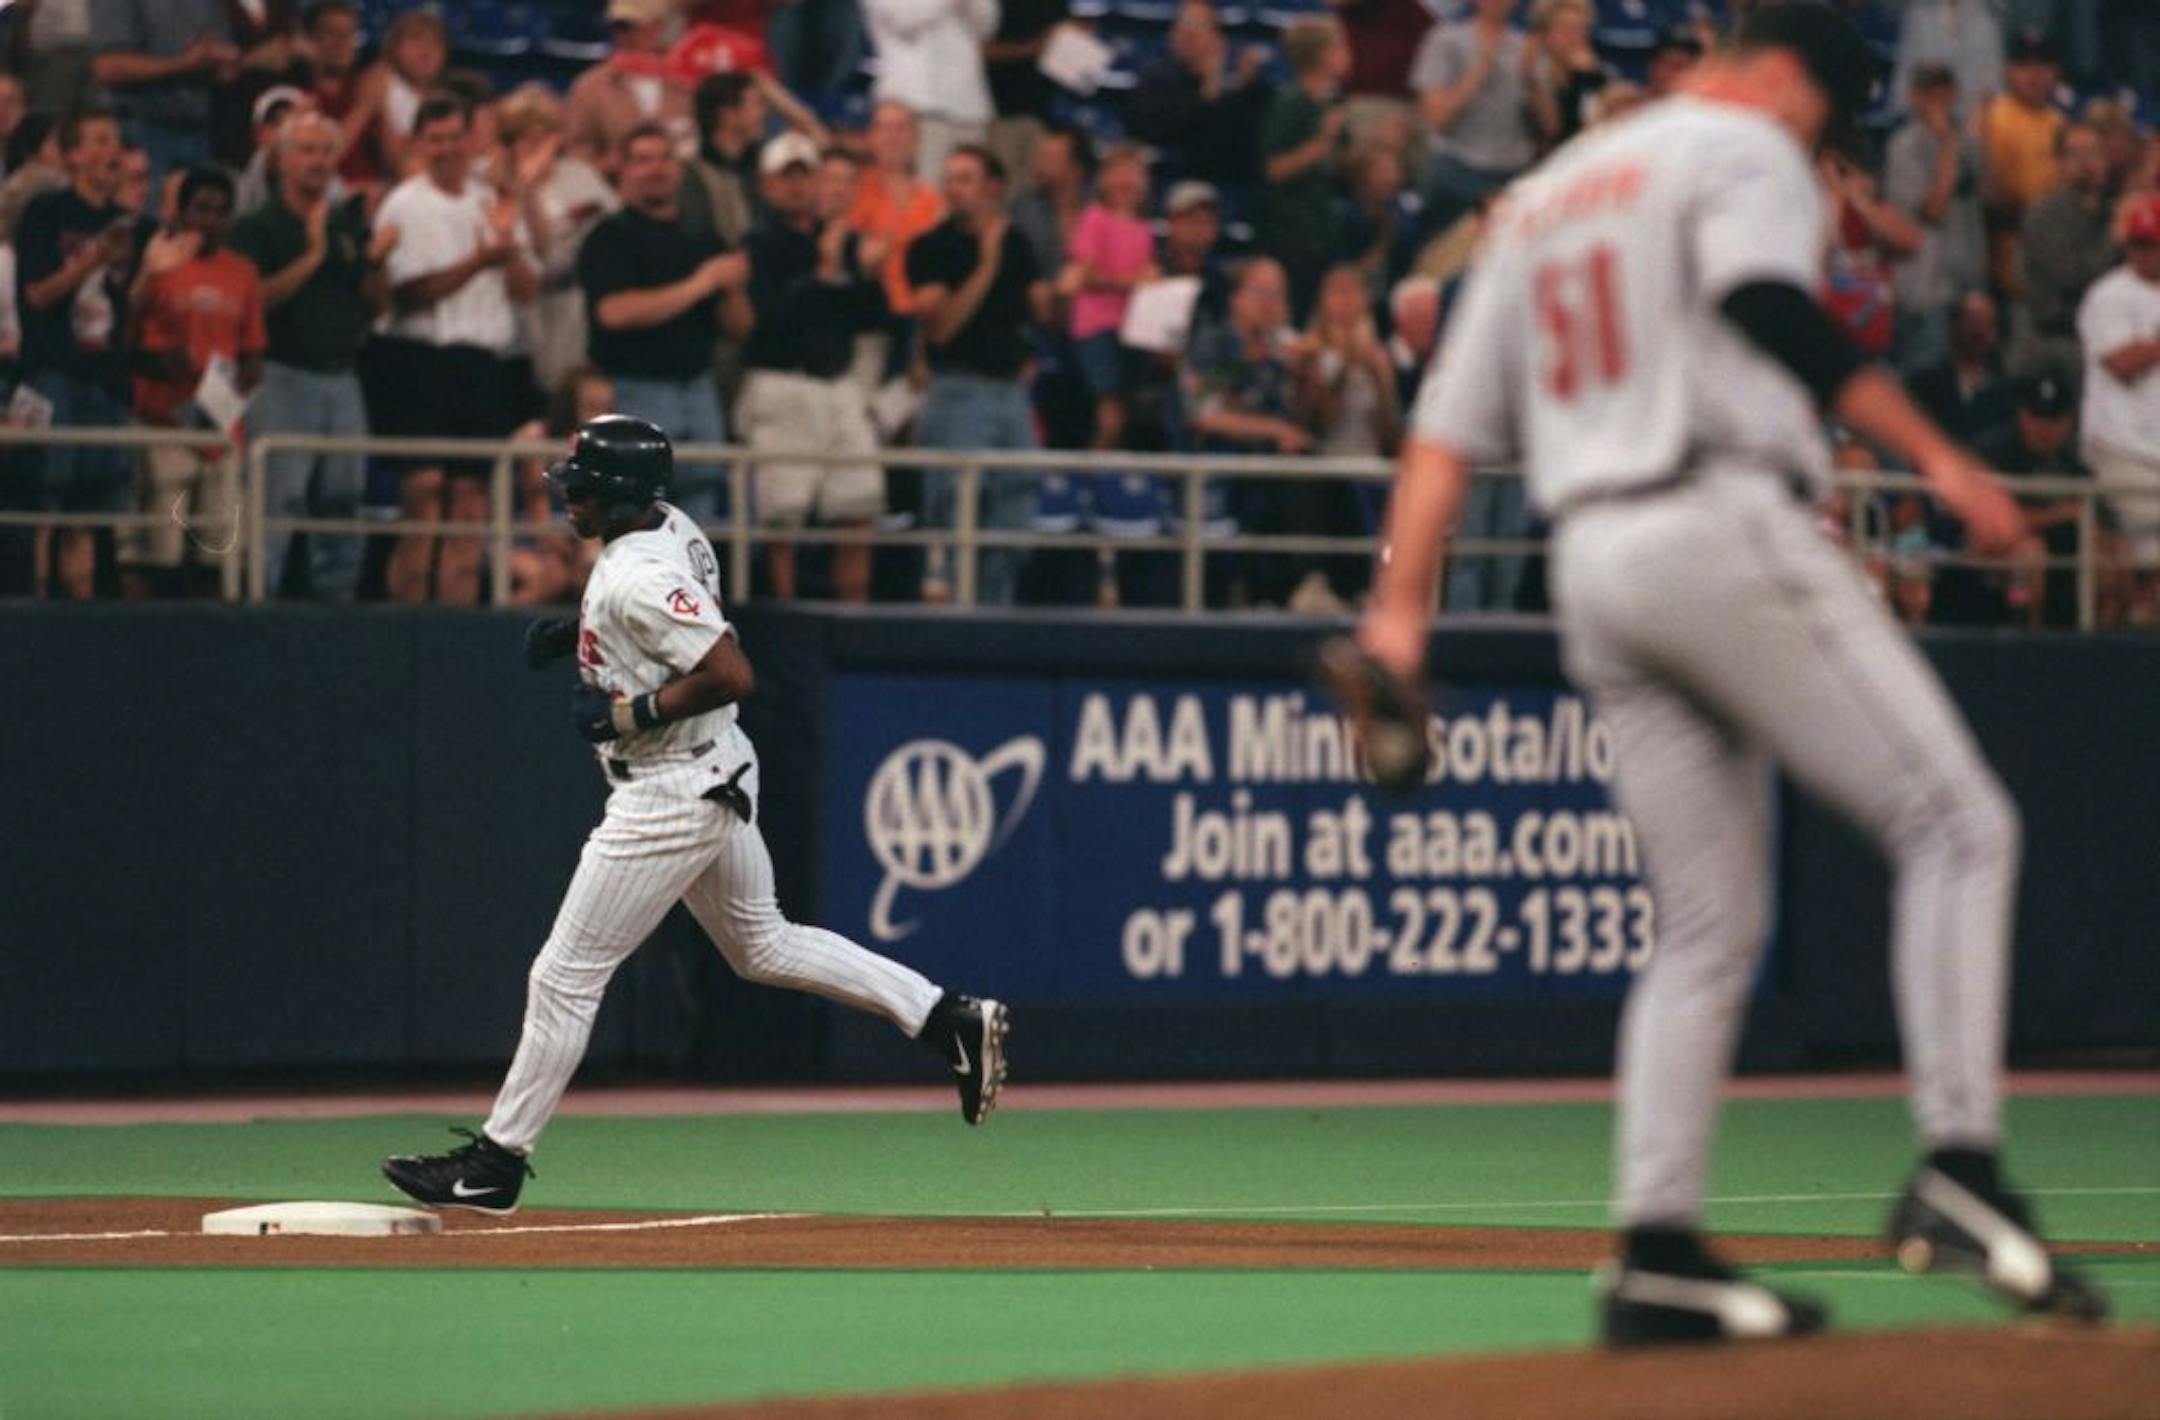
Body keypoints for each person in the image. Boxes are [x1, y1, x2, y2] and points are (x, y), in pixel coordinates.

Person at [1346, 3, 2107, 1346]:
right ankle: (1962, 1170)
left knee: (1702, 930)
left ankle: (1656, 1249)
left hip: (1594, 565)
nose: (1816, 140)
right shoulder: (1745, 144)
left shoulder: (1542, 194)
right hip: (1716, 520)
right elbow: (1764, 304)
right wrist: (1940, 457)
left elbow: (1444, 436)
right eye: (1826, 115)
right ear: (1792, 83)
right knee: (1957, 823)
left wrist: (1399, 617)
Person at [380, 414, 1010, 1215]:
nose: (568, 498)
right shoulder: (670, 527)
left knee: (565, 976)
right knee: (763, 944)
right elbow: (683, 626)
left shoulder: (636, 571)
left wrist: (629, 713)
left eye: (582, 488)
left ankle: (496, 1163)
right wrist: (583, 632)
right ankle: (943, 1016)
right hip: (715, 767)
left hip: (671, 787)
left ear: (621, 495)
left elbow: (730, 669)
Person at [372, 95, 539, 605]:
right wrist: (480, 259)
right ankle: (407, 624)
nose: (445, 149)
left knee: (470, 503)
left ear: (471, 140)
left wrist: (507, 252)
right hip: (421, 364)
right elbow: (408, 292)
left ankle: (455, 616)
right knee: (424, 500)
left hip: (484, 367)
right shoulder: (404, 203)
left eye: (454, 138)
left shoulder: (494, 202)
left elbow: (526, 290)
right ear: (420, 144)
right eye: (434, 139)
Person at [230, 110, 393, 602]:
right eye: (306, 150)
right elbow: (253, 300)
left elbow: (375, 302)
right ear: (279, 161)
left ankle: (337, 605)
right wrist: (313, 256)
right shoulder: (258, 226)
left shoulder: (348, 223)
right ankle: (259, 598)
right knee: (277, 499)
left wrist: (375, 262)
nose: (317, 161)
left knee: (344, 499)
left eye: (326, 151)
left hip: (342, 377)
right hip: (281, 376)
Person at [578, 122, 752, 532]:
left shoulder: (703, 238)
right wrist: (701, 283)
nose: (656, 169)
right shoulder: (609, 237)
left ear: (678, 169)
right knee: (633, 513)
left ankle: (691, 594)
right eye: (643, 160)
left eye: (665, 158)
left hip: (698, 388)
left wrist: (732, 291)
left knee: (699, 517)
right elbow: (614, 312)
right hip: (635, 389)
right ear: (624, 171)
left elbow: (740, 328)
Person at [739, 133, 890, 602]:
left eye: (807, 176)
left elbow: (874, 319)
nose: (798, 187)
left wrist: (867, 275)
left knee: (858, 505)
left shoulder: (846, 241)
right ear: (768, 185)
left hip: (839, 384)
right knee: (783, 518)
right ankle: (787, 627)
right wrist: (822, 272)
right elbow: (764, 324)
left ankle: (857, 627)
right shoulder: (757, 244)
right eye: (788, 178)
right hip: (781, 383)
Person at [13, 107, 151, 598]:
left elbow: (133, 308)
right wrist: (93, 257)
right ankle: (35, 603)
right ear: (72, 156)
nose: (108, 151)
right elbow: (37, 296)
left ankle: (82, 606)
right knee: (46, 500)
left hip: (106, 379)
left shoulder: (134, 225)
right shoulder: (46, 212)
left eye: (113, 140)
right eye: (96, 140)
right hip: (54, 374)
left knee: (93, 507)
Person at [905, 145, 1051, 605]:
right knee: (956, 508)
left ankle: (998, 607)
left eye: (966, 179)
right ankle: (957, 610)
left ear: (993, 187)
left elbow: (1040, 310)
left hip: (1010, 392)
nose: (955, 189)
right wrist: (986, 264)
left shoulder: (1018, 242)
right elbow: (942, 329)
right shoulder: (932, 246)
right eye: (951, 178)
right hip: (957, 390)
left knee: (1018, 502)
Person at [123, 166, 264, 598]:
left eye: (220, 212)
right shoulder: (158, 264)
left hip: (219, 429)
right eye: (201, 209)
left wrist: (225, 403)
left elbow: (253, 354)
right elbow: (125, 339)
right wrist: (160, 362)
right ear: (181, 212)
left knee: (218, 555)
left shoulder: (243, 273)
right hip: (162, 422)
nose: (210, 221)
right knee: (156, 551)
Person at [2075, 194, 2160, 613]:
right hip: (2121, 448)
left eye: (2153, 244)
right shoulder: (2108, 295)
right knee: (2149, 561)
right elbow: (2121, 362)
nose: (2144, 253)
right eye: (2138, 244)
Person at [1883, 63, 1986, 375]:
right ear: (1915, 97)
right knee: (1927, 382)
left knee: (1968, 385)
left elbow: (1986, 200)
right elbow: (1933, 212)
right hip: (1926, 292)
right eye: (1928, 92)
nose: (1937, 100)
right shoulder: (1903, 147)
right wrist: (1947, 146)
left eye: (1943, 91)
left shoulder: (1969, 143)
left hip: (1968, 286)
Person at [1411, 0, 1539, 233]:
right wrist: (1479, 70)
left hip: (1513, 174)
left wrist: (1532, 83)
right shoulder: (1444, 41)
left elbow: (1548, 128)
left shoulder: (1525, 49)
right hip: (1458, 172)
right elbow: (1436, 118)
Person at [1259, 15, 1352, 322]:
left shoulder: (1330, 103)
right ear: (1324, 54)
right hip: (1291, 234)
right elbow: (1273, 170)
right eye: (1341, 47)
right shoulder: (1291, 104)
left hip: (1321, 230)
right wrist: (1321, 143)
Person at [2013, 121, 2119, 383]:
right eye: (2076, 154)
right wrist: (2116, 237)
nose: (2087, 164)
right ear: (2059, 163)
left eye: (2094, 153)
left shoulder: (2114, 212)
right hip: (2061, 345)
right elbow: (2074, 277)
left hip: (2115, 342)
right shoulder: (2044, 216)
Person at [862, 0, 998, 183]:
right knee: (926, 190)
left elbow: (987, 25)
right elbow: (904, 18)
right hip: (915, 105)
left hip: (969, 105)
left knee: (971, 190)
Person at [567, 0, 698, 181]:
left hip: (679, 195)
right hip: (614, 193)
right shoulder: (591, 87)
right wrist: (607, 166)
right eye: (618, 27)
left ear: (657, 27)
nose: (624, 35)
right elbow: (577, 152)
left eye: (632, 27)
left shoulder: (684, 83)